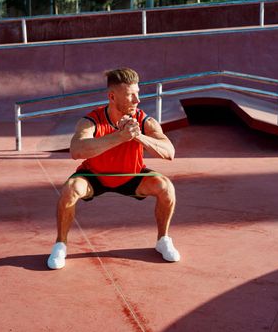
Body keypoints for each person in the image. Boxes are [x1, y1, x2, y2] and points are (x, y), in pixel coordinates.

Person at [47, 68, 180, 270]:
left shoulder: (145, 121)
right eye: (130, 95)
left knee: (166, 187)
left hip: (131, 176)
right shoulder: (91, 120)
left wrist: (137, 136)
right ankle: (60, 245)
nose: (137, 100)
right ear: (112, 96)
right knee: (70, 190)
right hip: (95, 177)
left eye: (138, 93)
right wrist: (119, 136)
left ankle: (163, 240)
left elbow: (169, 152)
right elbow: (76, 150)